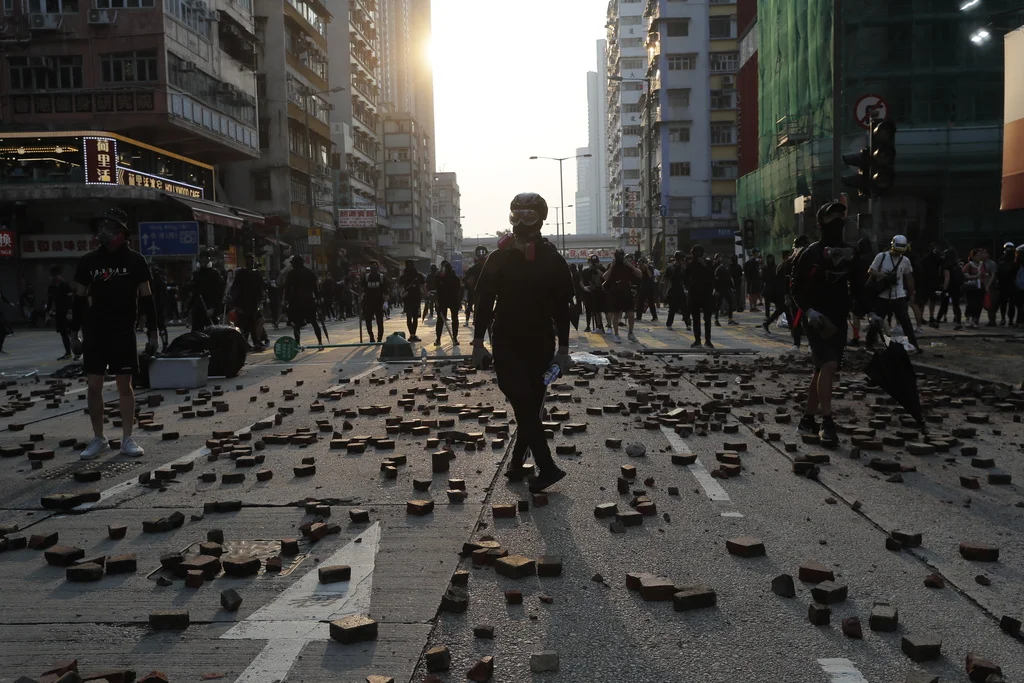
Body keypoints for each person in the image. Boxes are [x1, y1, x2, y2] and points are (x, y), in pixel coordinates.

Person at [470, 192, 572, 494]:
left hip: (541, 343)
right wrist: (478, 342)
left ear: (540, 219)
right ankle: (547, 466)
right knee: (522, 400)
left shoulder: (554, 260)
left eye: (528, 216)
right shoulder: (498, 257)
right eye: (515, 215)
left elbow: (562, 309)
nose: (520, 223)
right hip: (506, 341)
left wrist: (564, 350)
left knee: (530, 406)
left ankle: (516, 464)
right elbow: (484, 301)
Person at [69, 208, 159, 460]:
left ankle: (127, 438)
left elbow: (148, 299)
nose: (103, 232)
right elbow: (77, 300)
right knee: (94, 384)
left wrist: (153, 332)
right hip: (95, 330)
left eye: (109, 227)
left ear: (121, 234)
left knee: (124, 384)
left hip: (123, 330)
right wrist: (73, 334)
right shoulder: (88, 262)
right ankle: (99, 438)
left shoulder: (136, 261)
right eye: (101, 228)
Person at [791, 201, 855, 446]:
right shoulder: (810, 253)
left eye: (841, 215)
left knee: (821, 370)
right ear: (821, 223)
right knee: (827, 365)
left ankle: (808, 419)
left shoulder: (850, 253)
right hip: (817, 319)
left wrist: (874, 312)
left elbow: (859, 284)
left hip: (839, 318)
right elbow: (795, 288)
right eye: (832, 217)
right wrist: (808, 311)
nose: (838, 220)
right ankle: (827, 421)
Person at [866, 235, 921, 354]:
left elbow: (909, 277)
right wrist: (884, 275)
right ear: (892, 247)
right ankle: (869, 344)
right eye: (896, 251)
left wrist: (912, 294)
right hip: (883, 296)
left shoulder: (905, 261)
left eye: (901, 251)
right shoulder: (881, 257)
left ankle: (914, 345)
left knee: (906, 322)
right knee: (877, 321)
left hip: (899, 296)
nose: (898, 253)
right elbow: (871, 271)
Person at [602, 248, 641, 343]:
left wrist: (630, 265)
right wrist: (611, 267)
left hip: (627, 292)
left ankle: (631, 333)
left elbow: (639, 274)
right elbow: (605, 277)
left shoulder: (627, 266)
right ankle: (616, 334)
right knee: (616, 315)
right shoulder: (612, 266)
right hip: (615, 293)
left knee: (631, 314)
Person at [284, 255, 323, 346]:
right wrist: (318, 298)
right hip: (309, 300)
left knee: (297, 325)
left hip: (296, 302)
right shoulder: (310, 273)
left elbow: (287, 288)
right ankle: (320, 342)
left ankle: (297, 344)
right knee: (314, 322)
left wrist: (286, 301)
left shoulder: (291, 273)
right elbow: (315, 288)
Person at [230, 255, 267, 350]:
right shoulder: (241, 273)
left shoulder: (256, 273)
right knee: (245, 324)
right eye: (249, 260)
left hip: (254, 303)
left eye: (252, 260)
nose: (250, 262)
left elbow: (262, 287)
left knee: (255, 322)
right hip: (243, 303)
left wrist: (261, 299)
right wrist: (236, 304)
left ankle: (255, 342)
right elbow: (235, 289)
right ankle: (246, 344)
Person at [685, 245, 715, 348]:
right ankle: (697, 340)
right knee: (696, 319)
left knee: (707, 319)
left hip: (706, 294)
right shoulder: (690, 264)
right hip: (694, 294)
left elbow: (712, 275)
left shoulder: (708, 263)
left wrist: (704, 265)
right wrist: (689, 288)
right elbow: (685, 278)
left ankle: (708, 340)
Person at [847, 237, 874, 346]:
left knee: (856, 315)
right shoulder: (873, 257)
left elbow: (850, 274)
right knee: (873, 315)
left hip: (858, 290)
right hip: (872, 290)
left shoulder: (856, 259)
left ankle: (856, 338)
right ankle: (876, 338)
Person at [189, 251, 225, 331]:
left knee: (214, 333)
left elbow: (219, 293)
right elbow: (194, 293)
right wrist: (188, 309)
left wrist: (213, 308)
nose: (204, 261)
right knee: (196, 333)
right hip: (198, 308)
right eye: (202, 259)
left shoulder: (214, 274)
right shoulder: (196, 274)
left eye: (206, 259)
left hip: (210, 309)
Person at [46, 265, 76, 360]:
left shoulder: (66, 285)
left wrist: (70, 312)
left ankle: (78, 353)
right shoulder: (51, 287)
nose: (54, 277)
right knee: (63, 333)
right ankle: (68, 353)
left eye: (56, 275)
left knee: (72, 334)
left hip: (68, 312)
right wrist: (47, 313)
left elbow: (70, 300)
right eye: (53, 275)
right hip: (59, 313)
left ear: (60, 275)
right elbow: (49, 301)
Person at [434, 260, 462, 346]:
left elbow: (435, 288)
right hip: (452, 301)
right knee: (454, 320)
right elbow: (459, 290)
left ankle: (438, 339)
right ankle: (454, 338)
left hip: (444, 301)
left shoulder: (439, 277)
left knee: (441, 320)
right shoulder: (454, 277)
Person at [936, 248, 964, 331]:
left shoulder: (946, 265)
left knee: (943, 305)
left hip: (949, 288)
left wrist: (944, 289)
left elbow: (947, 278)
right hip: (956, 287)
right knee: (956, 305)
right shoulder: (956, 264)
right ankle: (958, 323)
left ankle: (937, 322)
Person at [361, 260, 388, 343]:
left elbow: (386, 290)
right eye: (372, 266)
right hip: (368, 303)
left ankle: (379, 338)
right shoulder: (366, 277)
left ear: (377, 267)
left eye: (375, 266)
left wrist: (386, 302)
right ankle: (371, 337)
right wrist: (361, 297)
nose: (374, 268)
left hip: (379, 303)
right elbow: (362, 289)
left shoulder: (381, 277)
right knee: (368, 321)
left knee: (380, 322)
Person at [399, 260, 426, 341]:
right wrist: (426, 295)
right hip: (416, 299)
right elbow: (423, 286)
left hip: (407, 300)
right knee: (414, 317)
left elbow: (400, 287)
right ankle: (413, 334)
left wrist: (402, 293)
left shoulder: (403, 277)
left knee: (409, 317)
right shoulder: (418, 275)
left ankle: (411, 334)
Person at [662, 250, 689, 331]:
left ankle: (688, 324)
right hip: (672, 290)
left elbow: (687, 280)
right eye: (682, 259)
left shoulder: (684, 268)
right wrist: (665, 290)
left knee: (684, 308)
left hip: (681, 290)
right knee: (672, 309)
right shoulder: (670, 267)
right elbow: (666, 279)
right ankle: (669, 324)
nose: (683, 261)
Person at [581, 254, 608, 333]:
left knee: (601, 310)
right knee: (589, 310)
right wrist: (584, 287)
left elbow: (605, 277)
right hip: (589, 293)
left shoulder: (602, 269)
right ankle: (589, 325)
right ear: (589, 262)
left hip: (600, 292)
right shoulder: (586, 271)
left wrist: (597, 270)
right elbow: (581, 281)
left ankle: (602, 326)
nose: (594, 264)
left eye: (596, 262)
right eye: (592, 262)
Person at [464, 246, 487, 325]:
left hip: (476, 292)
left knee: (474, 308)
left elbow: (469, 281)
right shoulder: (489, 267)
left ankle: (475, 321)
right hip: (486, 293)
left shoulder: (473, 269)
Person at [996, 243, 1018, 327]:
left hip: (1003, 286)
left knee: (1003, 304)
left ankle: (1003, 319)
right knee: (1011, 304)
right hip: (1013, 286)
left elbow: (998, 274)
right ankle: (1010, 320)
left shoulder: (1001, 263)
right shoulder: (1015, 263)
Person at [149, 263, 169, 351]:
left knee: (156, 327)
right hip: (158, 306)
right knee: (160, 327)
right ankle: (162, 344)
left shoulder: (154, 279)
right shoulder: (160, 279)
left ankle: (155, 345)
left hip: (156, 306)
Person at [962, 249, 985, 328]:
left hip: (981, 286)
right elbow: (963, 275)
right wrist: (974, 277)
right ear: (973, 256)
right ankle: (968, 319)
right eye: (977, 255)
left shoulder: (982, 264)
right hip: (971, 287)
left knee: (978, 304)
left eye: (980, 255)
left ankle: (974, 320)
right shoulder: (969, 265)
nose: (979, 257)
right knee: (970, 303)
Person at [713, 254, 737, 326]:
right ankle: (716, 320)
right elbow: (715, 281)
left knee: (731, 303)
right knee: (718, 305)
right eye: (727, 259)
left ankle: (730, 319)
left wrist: (733, 287)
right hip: (720, 289)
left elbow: (729, 279)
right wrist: (716, 290)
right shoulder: (718, 269)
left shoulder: (728, 268)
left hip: (727, 289)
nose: (729, 261)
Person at [635, 256, 659, 322]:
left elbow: (650, 275)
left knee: (651, 303)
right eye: (639, 264)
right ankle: (638, 317)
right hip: (642, 288)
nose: (640, 265)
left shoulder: (650, 268)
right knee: (640, 303)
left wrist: (647, 267)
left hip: (650, 288)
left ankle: (655, 317)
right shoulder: (639, 269)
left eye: (641, 264)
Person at [981, 247, 999, 327]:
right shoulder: (981, 263)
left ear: (988, 255)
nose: (983, 254)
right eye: (982, 253)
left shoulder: (991, 263)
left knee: (991, 304)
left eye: (985, 253)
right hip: (982, 285)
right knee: (985, 303)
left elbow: (993, 275)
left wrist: (988, 285)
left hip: (990, 286)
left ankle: (992, 321)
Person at [759, 254, 779, 327]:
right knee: (767, 303)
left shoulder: (775, 267)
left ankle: (774, 316)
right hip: (769, 286)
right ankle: (768, 316)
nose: (769, 260)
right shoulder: (765, 267)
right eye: (768, 258)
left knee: (776, 302)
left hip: (773, 286)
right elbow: (762, 278)